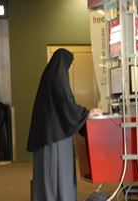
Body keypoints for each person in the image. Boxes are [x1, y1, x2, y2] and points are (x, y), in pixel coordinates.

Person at [27, 48, 103, 201]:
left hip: (46, 135)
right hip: (56, 136)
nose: (71, 67)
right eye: (70, 63)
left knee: (46, 174)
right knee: (57, 172)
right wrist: (87, 113)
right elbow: (66, 104)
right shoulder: (58, 79)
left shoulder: (49, 76)